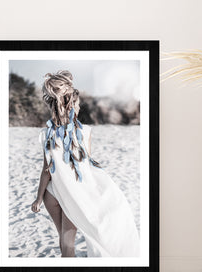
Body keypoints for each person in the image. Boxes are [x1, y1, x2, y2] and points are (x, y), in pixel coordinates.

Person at [30, 70, 140, 257]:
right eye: (78, 103)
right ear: (73, 104)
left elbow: (46, 170)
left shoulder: (46, 134)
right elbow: (85, 167)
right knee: (69, 239)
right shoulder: (85, 132)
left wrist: (39, 198)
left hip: (50, 192)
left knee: (65, 242)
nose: (79, 107)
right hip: (72, 194)